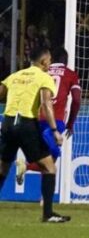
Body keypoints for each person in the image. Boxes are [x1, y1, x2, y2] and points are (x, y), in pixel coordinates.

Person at [0, 46, 69, 222]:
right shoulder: (44, 77)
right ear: (44, 62)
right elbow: (46, 104)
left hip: (8, 123)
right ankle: (48, 214)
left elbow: (1, 93)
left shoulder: (15, 76)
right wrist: (54, 131)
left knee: (3, 168)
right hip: (26, 124)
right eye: (50, 60)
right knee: (49, 167)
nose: (50, 63)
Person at [15, 46, 81, 184]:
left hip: (36, 119)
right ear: (66, 61)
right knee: (52, 159)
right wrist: (71, 123)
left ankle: (29, 172)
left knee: (47, 160)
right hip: (55, 121)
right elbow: (76, 100)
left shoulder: (42, 72)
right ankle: (42, 194)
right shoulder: (71, 74)